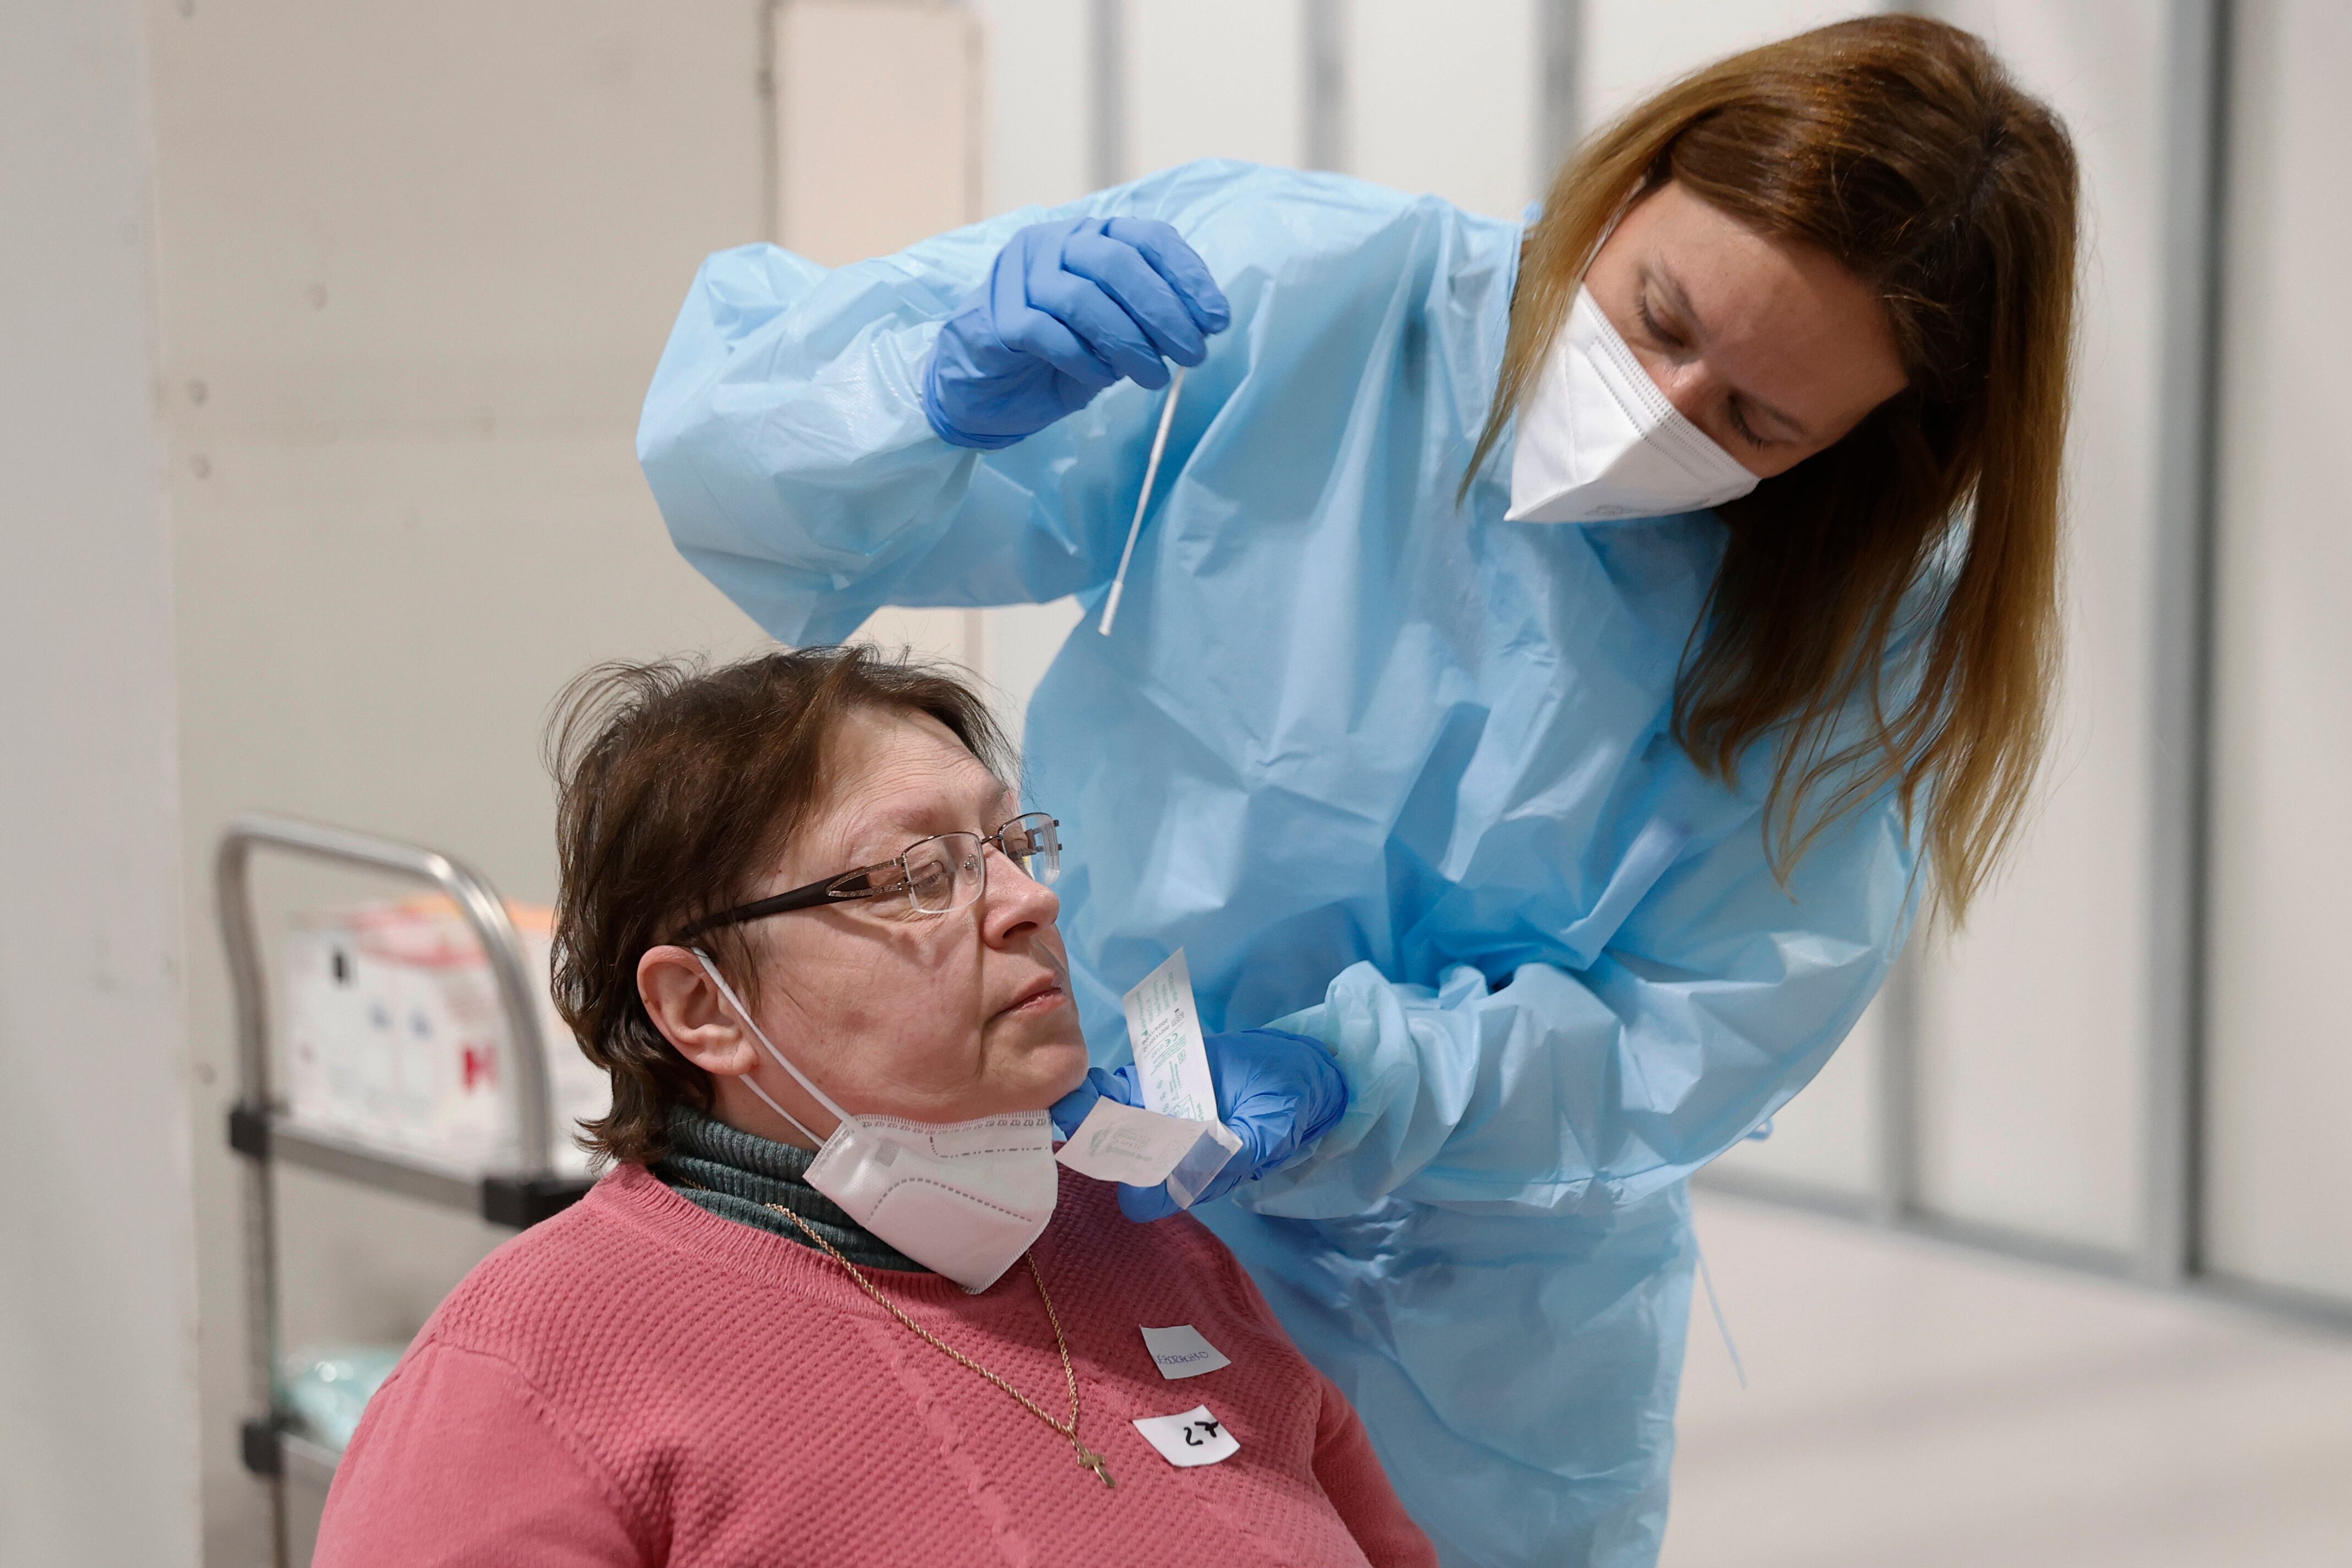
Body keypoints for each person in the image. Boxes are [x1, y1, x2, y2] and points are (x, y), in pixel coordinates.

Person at [636, 17, 2077, 1565]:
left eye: (1757, 420)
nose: (1662, 403)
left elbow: (1702, 1021)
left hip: (1474, 1311)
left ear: (1872, 442)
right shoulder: (1300, 295)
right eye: (1657, 314)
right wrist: (930, 389)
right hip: (1082, 1173)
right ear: (1630, 180)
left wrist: (1359, 1082)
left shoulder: (1863, 610)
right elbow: (747, 465)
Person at [310, 647, 1429, 1568]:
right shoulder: (533, 1374)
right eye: (918, 874)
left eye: (1008, 842)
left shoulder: (1153, 1244)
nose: (1030, 898)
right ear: (703, 1004)